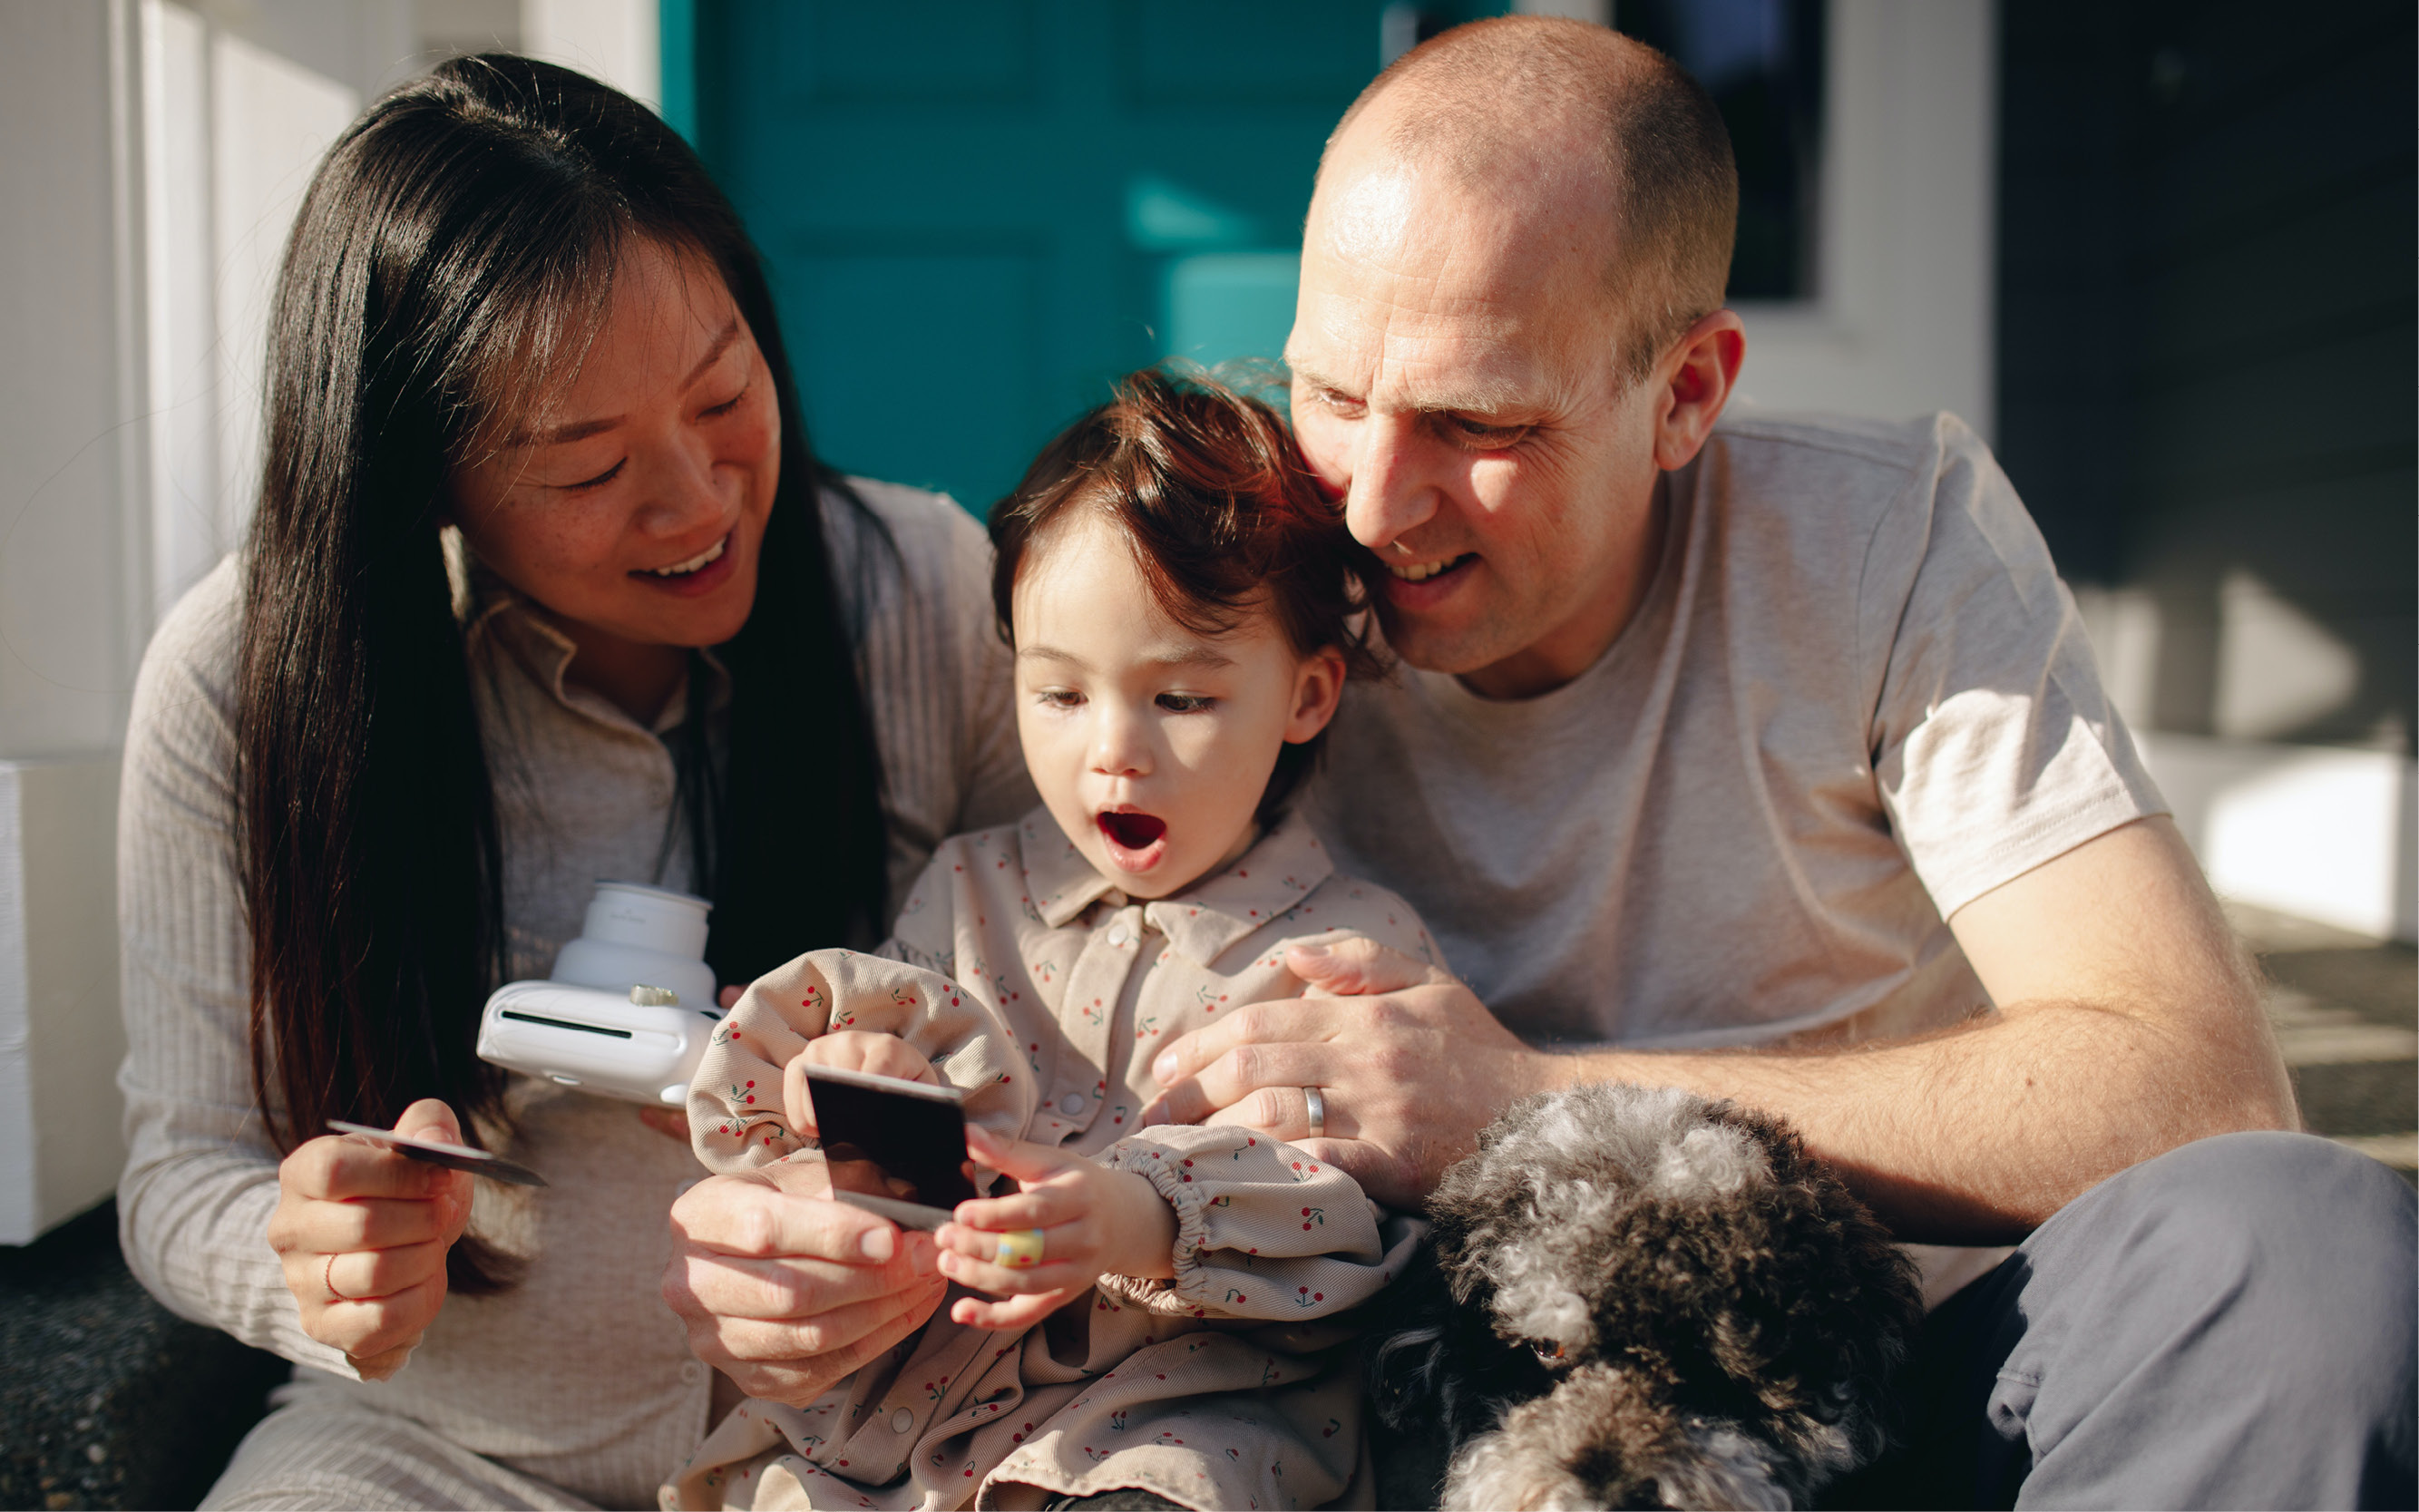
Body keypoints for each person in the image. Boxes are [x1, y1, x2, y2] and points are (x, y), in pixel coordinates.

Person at [1115, 16, 2411, 1507]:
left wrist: (1529, 1098)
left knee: (2300, 1254)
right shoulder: (1226, 573)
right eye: (1333, 393)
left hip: (1894, 1390)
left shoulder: (1882, 540)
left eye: (1476, 420)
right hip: (1438, 1424)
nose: (1370, 506)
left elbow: (2193, 1086)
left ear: (1684, 396)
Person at [116, 57, 1030, 1509]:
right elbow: (183, 1169)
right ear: (417, 479)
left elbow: (1073, 1065)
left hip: (873, 1442)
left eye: (725, 392)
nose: (698, 497)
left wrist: (880, 1196)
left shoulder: (925, 594)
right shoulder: (244, 681)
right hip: (433, 1449)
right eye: (586, 464)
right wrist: (321, 1262)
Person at [666, 371, 1436, 1511]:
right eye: (1061, 694)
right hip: (907, 1414)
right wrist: (861, 1082)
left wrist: (1139, 1214)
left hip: (1168, 1425)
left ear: (1309, 694)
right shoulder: (975, 888)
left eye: (1179, 699)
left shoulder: (1347, 948)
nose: (1112, 752)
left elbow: (1362, 1215)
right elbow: (887, 1116)